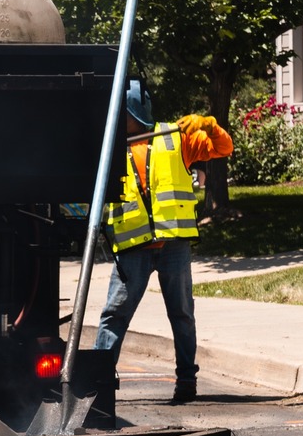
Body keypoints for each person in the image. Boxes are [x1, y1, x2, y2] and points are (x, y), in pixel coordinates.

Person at [93, 82, 233, 404]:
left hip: (173, 246)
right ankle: (98, 383)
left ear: (131, 110)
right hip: (133, 249)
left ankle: (186, 380)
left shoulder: (176, 137)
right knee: (114, 315)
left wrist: (208, 124)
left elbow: (223, 148)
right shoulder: (110, 147)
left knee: (182, 314)